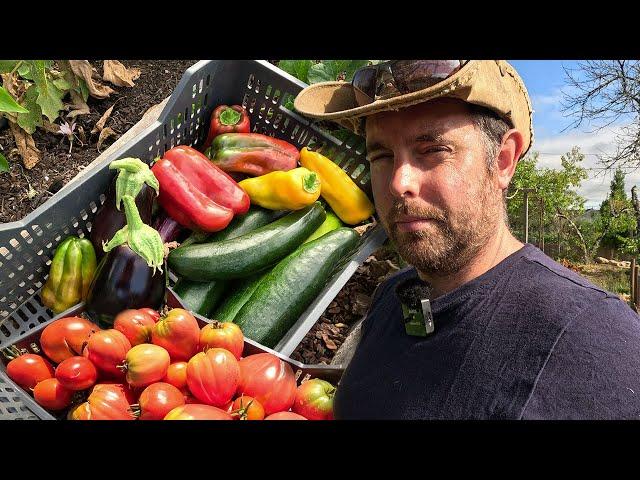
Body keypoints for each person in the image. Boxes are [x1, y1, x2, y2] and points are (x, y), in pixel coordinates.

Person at [293, 60, 640, 420]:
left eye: (432, 150)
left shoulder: (598, 341)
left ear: (503, 161)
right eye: (381, 155)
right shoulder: (393, 296)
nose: (399, 182)